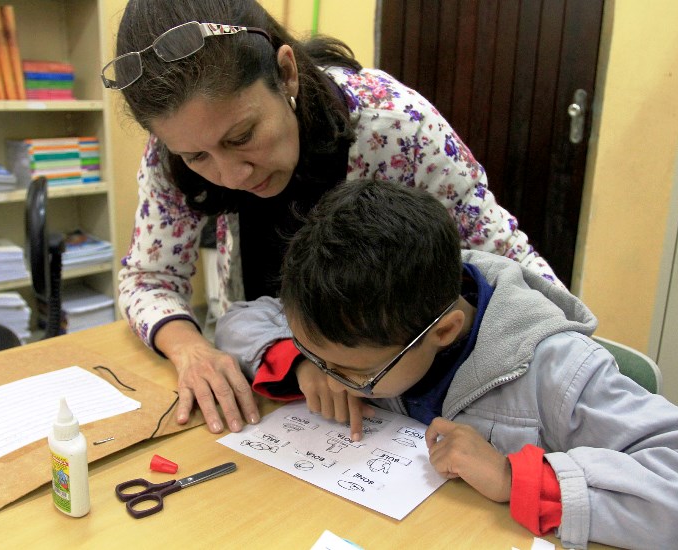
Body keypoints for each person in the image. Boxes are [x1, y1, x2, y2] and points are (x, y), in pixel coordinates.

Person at [105, 0, 561, 435]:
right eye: (197, 156)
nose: (231, 175)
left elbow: (508, 264)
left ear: (285, 74)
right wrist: (189, 349)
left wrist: (567, 371)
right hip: (276, 378)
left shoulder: (395, 124)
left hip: (406, 393)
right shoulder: (171, 153)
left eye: (242, 136)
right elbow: (149, 278)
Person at [218, 178, 678, 550]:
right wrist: (306, 364)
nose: (339, 382)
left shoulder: (558, 373)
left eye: (356, 375)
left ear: (443, 331)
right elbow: (240, 320)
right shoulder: (354, 312)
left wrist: (519, 478)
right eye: (322, 360)